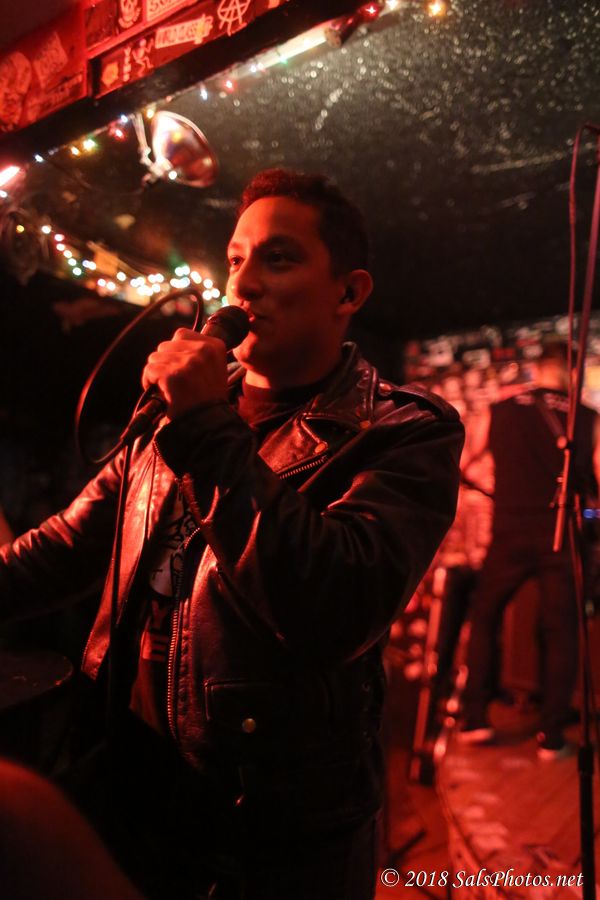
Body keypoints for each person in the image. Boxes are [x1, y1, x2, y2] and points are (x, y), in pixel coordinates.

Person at [0, 169, 463, 899]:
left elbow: (334, 604)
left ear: (348, 293)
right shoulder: (169, 421)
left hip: (268, 836)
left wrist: (207, 429)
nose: (242, 284)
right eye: (236, 259)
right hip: (127, 792)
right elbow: (62, 548)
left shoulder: (401, 430)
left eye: (277, 259)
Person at [460, 341, 600, 760]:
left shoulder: (499, 410)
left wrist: (495, 490)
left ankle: (474, 719)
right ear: (572, 371)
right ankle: (551, 736)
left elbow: (464, 464)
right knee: (561, 630)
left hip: (508, 529)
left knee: (485, 616)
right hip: (561, 532)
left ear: (537, 370)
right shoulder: (588, 417)